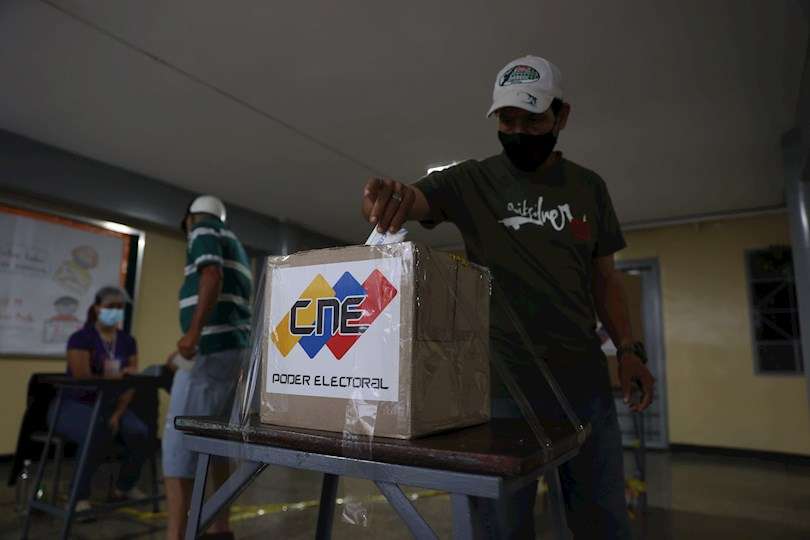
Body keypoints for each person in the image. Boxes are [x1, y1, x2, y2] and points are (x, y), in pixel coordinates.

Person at [360, 55, 655, 538]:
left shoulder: (589, 188)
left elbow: (606, 280)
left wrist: (629, 351)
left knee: (602, 523)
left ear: (562, 116)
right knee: (498, 529)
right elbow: (408, 199)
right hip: (501, 391)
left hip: (583, 388)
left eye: (533, 119)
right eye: (507, 119)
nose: (518, 131)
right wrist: (382, 196)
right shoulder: (472, 180)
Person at [162, 195, 253, 540]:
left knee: (177, 441)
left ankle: (176, 534)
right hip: (233, 352)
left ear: (190, 218)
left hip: (210, 349)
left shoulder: (202, 229)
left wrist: (193, 332)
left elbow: (211, 274)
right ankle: (221, 528)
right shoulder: (237, 246)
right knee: (217, 443)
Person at [50, 285, 148, 513]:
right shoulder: (81, 337)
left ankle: (124, 486)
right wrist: (113, 376)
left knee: (139, 432)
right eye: (110, 307)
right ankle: (78, 496)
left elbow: (131, 380)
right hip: (73, 405)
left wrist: (117, 413)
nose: (115, 311)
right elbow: (82, 376)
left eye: (119, 308)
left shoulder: (128, 341)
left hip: (112, 407)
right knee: (96, 429)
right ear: (96, 308)